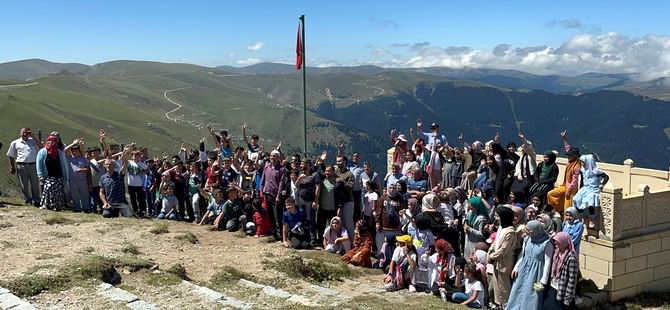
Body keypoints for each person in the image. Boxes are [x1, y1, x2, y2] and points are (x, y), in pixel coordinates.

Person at [507, 220, 554, 310]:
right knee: (518, 290)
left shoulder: (546, 244)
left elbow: (548, 263)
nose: (526, 232)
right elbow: (522, 256)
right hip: (523, 269)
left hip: (536, 273)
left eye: (528, 230)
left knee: (532, 294)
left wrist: (543, 280)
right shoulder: (527, 239)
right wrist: (516, 267)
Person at [487, 207, 517, 308]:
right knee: (496, 286)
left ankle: (506, 306)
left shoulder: (510, 232)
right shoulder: (501, 228)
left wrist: (492, 256)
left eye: (498, 216)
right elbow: (495, 243)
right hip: (496, 261)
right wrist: (489, 252)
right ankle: (498, 305)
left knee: (504, 288)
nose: (496, 218)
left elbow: (504, 249)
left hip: (504, 262)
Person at [547, 130, 581, 215]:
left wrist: (569, 191)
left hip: (571, 189)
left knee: (568, 207)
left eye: (570, 155)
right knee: (550, 194)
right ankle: (558, 209)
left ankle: (566, 219)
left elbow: (575, 180)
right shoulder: (570, 161)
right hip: (565, 185)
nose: (568, 157)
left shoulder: (577, 165)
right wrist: (564, 139)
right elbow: (567, 147)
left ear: (575, 156)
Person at [571, 154, 609, 230]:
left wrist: (602, 184)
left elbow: (606, 177)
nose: (582, 164)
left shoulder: (596, 171)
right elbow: (582, 180)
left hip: (593, 189)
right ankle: (582, 216)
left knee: (589, 200)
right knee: (576, 199)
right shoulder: (583, 170)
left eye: (583, 162)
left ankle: (592, 218)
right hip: (585, 188)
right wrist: (581, 189)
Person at [7, 127, 42, 206]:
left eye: (27, 132)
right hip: (21, 166)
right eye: (23, 132)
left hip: (33, 165)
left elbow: (41, 146)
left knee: (35, 185)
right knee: (24, 185)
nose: (25, 134)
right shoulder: (15, 143)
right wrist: (12, 167)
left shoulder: (33, 141)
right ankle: (28, 200)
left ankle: (36, 200)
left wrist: (34, 137)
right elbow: (10, 155)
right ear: (20, 133)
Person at [544, 232, 579, 310]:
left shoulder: (571, 258)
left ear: (563, 242)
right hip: (553, 287)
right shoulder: (556, 253)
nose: (555, 242)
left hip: (563, 291)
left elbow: (572, 279)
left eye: (557, 241)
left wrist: (567, 298)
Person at [36, 135, 70, 211]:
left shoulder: (59, 152)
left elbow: (63, 163)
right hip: (48, 175)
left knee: (58, 191)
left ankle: (57, 206)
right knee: (48, 189)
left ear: (55, 143)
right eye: (49, 141)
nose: (50, 142)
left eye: (53, 141)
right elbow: (39, 163)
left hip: (58, 175)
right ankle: (47, 204)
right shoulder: (42, 152)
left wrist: (65, 174)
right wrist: (40, 175)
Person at [260, 150, 288, 240]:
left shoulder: (282, 169)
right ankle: (274, 234)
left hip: (275, 196)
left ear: (278, 157)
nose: (272, 157)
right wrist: (261, 190)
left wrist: (278, 196)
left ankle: (280, 235)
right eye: (271, 156)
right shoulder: (267, 166)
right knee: (270, 215)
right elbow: (263, 178)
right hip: (266, 194)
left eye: (275, 156)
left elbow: (281, 183)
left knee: (278, 216)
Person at [99, 146, 134, 218]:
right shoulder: (103, 178)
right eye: (107, 164)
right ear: (104, 166)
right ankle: (115, 212)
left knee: (129, 215)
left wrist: (126, 155)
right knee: (106, 215)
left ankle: (120, 211)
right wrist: (105, 203)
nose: (108, 166)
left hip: (121, 203)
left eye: (110, 164)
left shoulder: (119, 174)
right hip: (110, 203)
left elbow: (125, 164)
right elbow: (101, 192)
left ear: (114, 165)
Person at [374, 184, 406, 252]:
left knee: (396, 247)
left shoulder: (400, 198)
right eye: (390, 188)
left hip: (396, 228)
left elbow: (403, 210)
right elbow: (378, 211)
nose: (392, 190)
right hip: (384, 228)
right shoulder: (383, 198)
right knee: (383, 246)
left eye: (393, 188)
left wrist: (401, 223)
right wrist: (377, 223)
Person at [64, 139, 91, 212]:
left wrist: (82, 170)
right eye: (73, 151)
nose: (74, 152)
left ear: (79, 151)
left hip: (82, 181)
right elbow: (65, 150)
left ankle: (86, 208)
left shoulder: (83, 159)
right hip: (72, 181)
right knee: (74, 195)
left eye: (76, 151)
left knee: (84, 195)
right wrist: (73, 144)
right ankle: (77, 208)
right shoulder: (70, 158)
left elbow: (88, 169)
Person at [314, 165, 337, 245]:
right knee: (320, 226)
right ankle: (320, 241)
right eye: (326, 171)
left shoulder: (336, 182)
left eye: (329, 171)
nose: (327, 172)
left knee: (333, 227)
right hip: (322, 208)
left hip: (332, 208)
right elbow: (315, 172)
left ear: (333, 172)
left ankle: (332, 241)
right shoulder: (322, 180)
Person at [511, 133, 537, 204]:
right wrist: (519, 175)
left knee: (520, 190)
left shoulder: (531, 155)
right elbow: (518, 167)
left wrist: (523, 139)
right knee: (513, 188)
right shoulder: (522, 157)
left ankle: (520, 203)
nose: (523, 147)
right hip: (521, 177)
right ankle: (513, 202)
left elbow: (529, 148)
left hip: (529, 177)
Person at [126, 150, 148, 217]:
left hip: (139, 184)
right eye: (135, 155)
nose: (136, 157)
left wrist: (143, 173)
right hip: (131, 184)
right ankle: (135, 211)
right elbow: (123, 160)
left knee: (141, 199)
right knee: (133, 199)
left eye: (138, 156)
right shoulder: (129, 162)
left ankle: (142, 211)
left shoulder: (141, 164)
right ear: (132, 156)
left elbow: (147, 169)